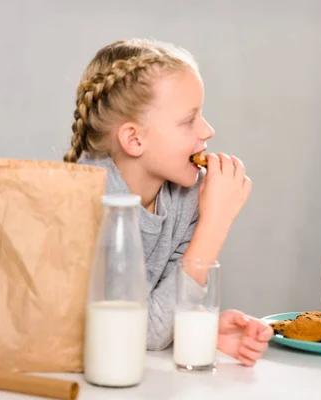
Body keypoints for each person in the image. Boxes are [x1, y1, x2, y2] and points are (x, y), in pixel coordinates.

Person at [64, 39, 272, 366]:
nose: (208, 130)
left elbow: (158, 317)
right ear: (134, 139)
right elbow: (141, 332)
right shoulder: (92, 200)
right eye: (189, 120)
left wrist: (195, 329)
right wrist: (215, 223)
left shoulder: (185, 195)